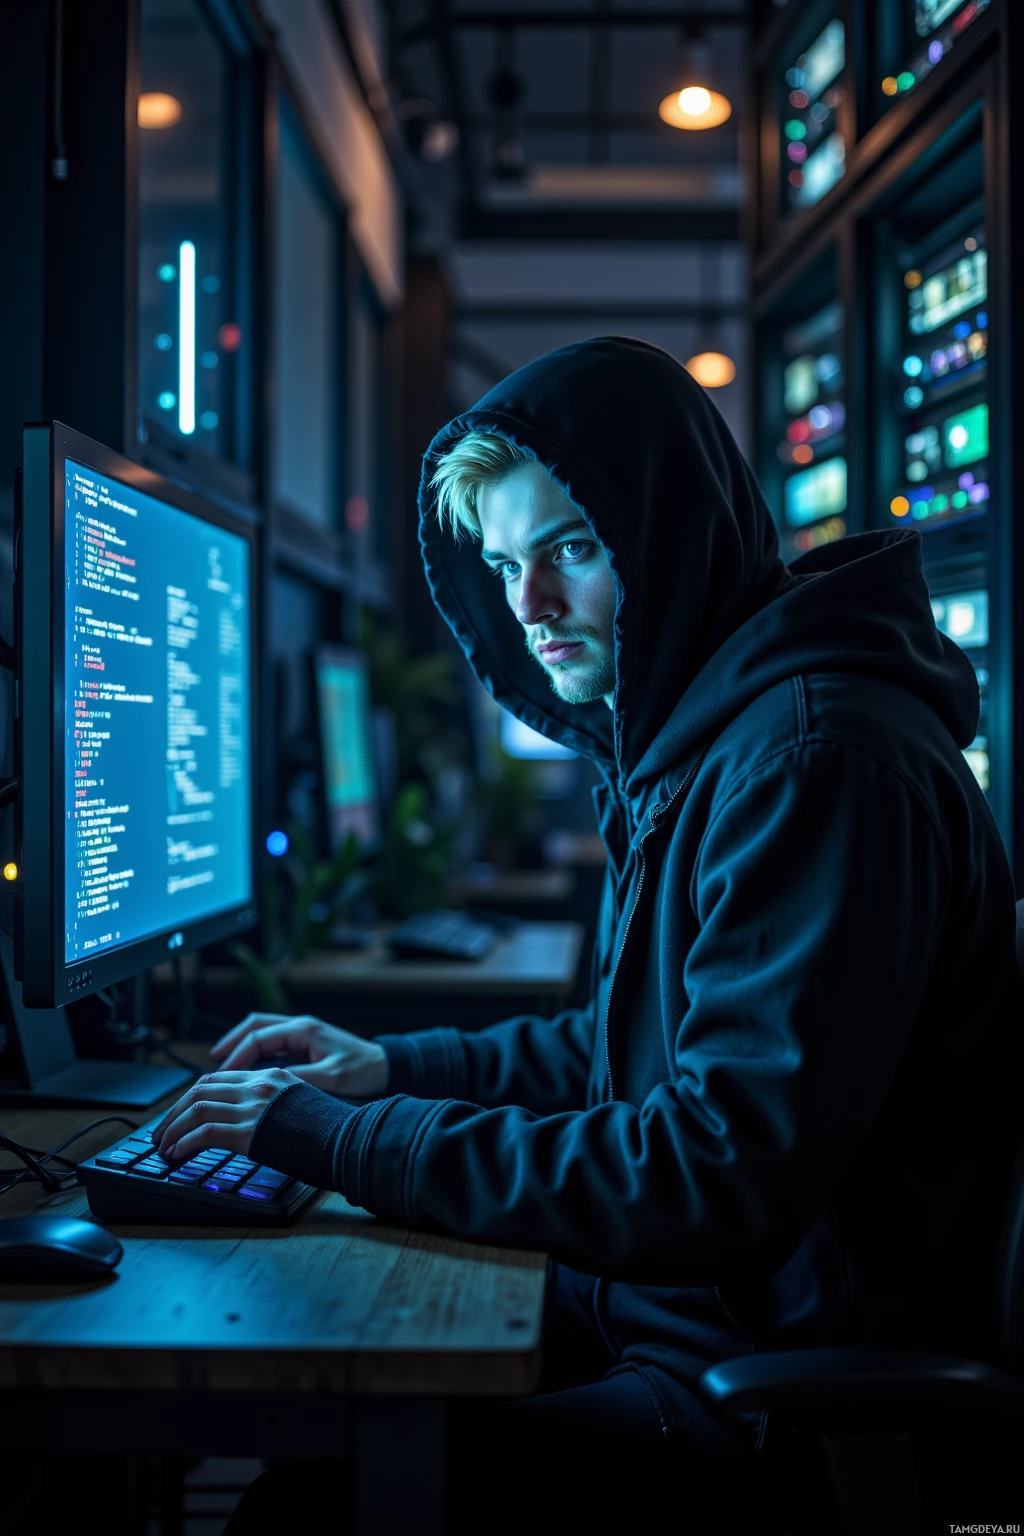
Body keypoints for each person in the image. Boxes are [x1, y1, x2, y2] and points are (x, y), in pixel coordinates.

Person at [155, 338, 1020, 1532]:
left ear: (664, 534)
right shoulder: (709, 740)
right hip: (679, 1322)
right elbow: (625, 1052)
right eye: (506, 564)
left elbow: (716, 1168)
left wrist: (352, 1143)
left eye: (568, 550)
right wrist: (390, 1069)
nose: (530, 607)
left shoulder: (813, 760)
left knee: (313, 1502)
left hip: (771, 1408)